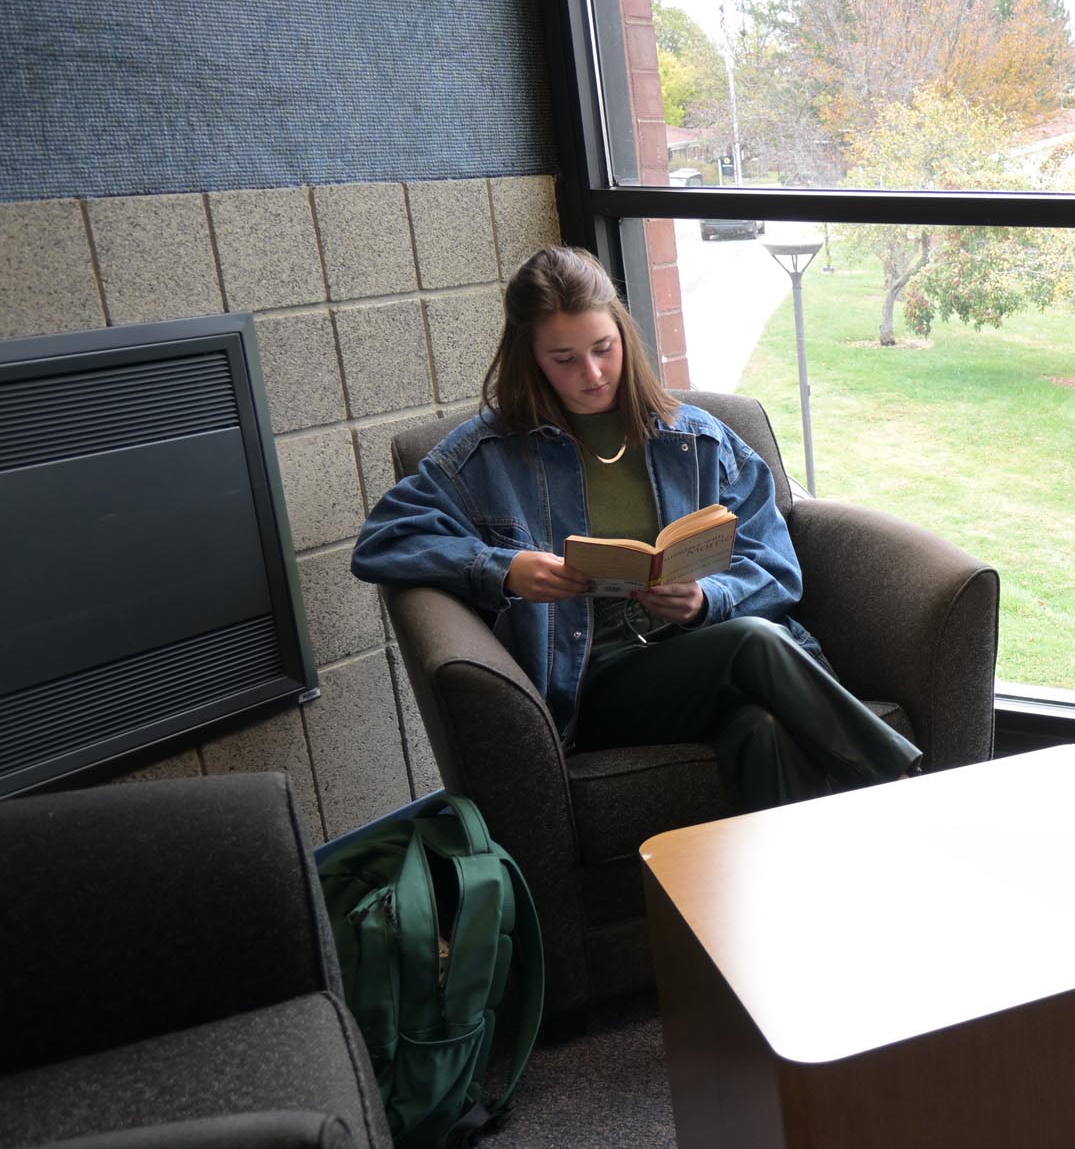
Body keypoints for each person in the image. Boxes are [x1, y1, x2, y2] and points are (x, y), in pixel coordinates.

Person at [351, 244, 920, 812]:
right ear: (531, 358)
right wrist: (504, 569)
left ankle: (764, 898)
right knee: (754, 642)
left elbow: (777, 568)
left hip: (698, 656)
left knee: (762, 727)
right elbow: (383, 540)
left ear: (623, 335)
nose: (592, 373)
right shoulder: (486, 456)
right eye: (564, 358)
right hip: (593, 687)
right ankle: (901, 787)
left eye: (603, 349)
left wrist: (705, 600)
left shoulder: (697, 440)